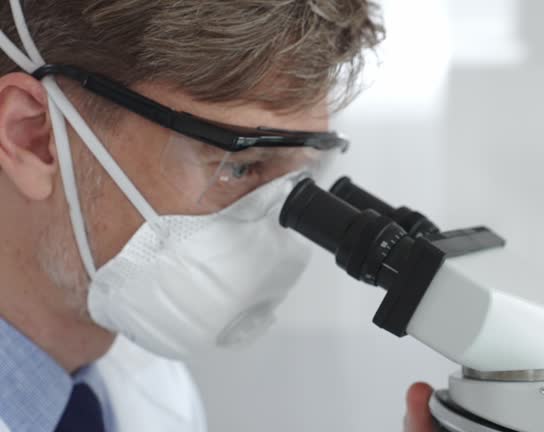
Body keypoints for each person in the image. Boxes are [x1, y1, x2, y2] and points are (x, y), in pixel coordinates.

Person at [0, 1, 434, 430]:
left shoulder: (151, 394)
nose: (275, 227)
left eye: (303, 172)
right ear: (34, 137)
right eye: (239, 166)